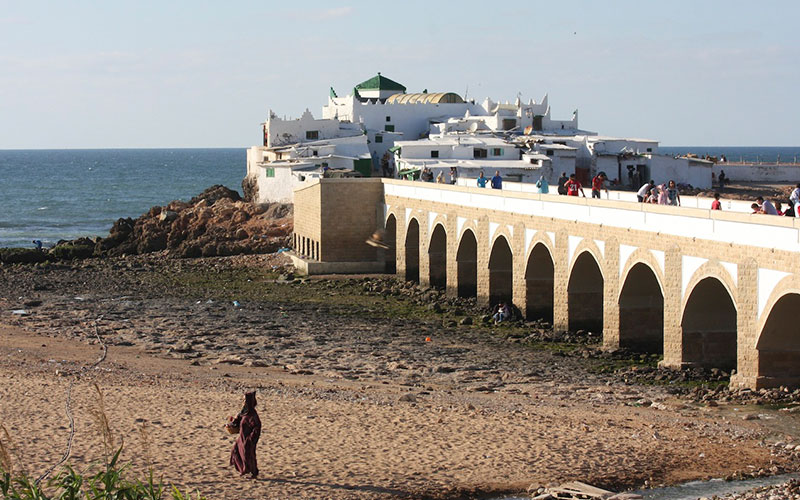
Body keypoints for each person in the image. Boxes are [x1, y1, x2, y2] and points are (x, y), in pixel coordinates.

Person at [229, 391, 261, 478]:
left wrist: (250, 439)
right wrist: (232, 422)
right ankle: (243, 469)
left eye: (245, 400)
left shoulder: (253, 415)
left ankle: (253, 472)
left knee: (248, 455)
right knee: (236, 451)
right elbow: (237, 421)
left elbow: (257, 427)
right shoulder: (244, 412)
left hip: (248, 439)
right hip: (242, 438)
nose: (243, 402)